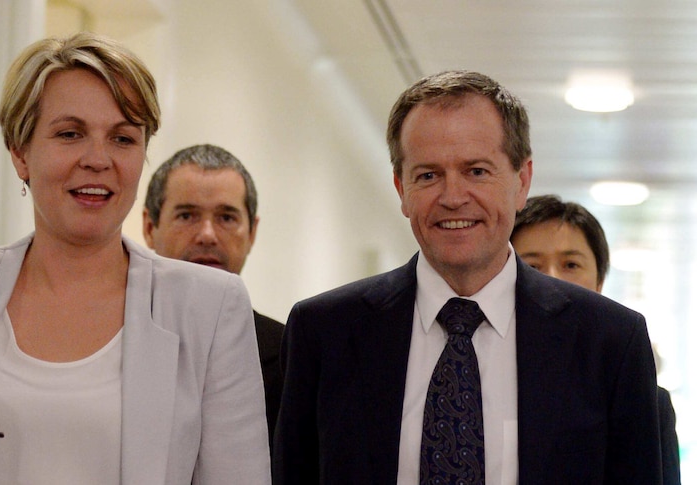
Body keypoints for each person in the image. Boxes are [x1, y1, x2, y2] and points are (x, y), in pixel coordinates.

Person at [0, 32, 270, 484]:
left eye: (122, 138)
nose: (98, 159)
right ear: (20, 153)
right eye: (70, 133)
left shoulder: (209, 307)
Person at [273, 70, 662, 484]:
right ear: (401, 189)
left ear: (521, 181)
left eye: (476, 171)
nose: (453, 197)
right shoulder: (324, 331)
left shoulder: (610, 341)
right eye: (428, 175)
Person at [511, 194, 680, 485]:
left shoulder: (647, 401)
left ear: (600, 282)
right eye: (532, 267)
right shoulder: (477, 382)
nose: (553, 280)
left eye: (571, 265)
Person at [142, 143, 285, 452]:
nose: (207, 234)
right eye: (187, 215)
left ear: (252, 233)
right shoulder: (111, 337)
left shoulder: (291, 356)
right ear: (149, 227)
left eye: (226, 217)